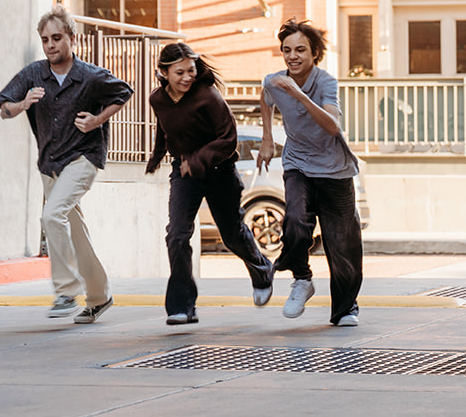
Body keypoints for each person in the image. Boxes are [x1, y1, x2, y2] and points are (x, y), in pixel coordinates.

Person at [0, 6, 131, 324]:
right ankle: (99, 296)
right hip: (50, 164)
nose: (51, 45)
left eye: (57, 38)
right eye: (45, 40)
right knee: (77, 231)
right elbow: (4, 107)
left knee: (51, 215)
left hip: (82, 158)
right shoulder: (33, 74)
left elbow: (124, 91)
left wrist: (97, 119)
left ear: (72, 38)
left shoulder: (90, 76)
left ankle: (67, 292)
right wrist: (21, 104)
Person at [145, 42, 276, 325]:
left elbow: (229, 138)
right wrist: (156, 157)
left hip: (220, 172)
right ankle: (182, 306)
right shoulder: (157, 99)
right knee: (177, 235)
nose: (187, 77)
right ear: (163, 73)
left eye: (191, 70)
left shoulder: (207, 95)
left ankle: (262, 270)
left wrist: (197, 160)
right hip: (184, 174)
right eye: (179, 72)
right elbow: (165, 128)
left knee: (231, 235)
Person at [259, 19, 364, 326]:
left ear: (314, 53)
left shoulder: (327, 82)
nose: (293, 56)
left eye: (300, 50)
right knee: (294, 220)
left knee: (342, 244)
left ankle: (346, 309)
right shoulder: (274, 81)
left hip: (335, 169)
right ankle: (302, 279)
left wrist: (299, 94)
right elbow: (266, 99)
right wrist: (267, 140)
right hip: (299, 163)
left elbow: (333, 127)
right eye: (287, 50)